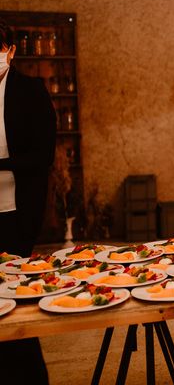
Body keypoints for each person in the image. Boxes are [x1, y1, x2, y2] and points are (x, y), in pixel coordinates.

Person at [0, 21, 56, 384]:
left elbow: (42, 156)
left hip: (14, 213)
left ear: (10, 51)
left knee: (13, 300)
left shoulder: (30, 91)